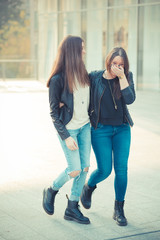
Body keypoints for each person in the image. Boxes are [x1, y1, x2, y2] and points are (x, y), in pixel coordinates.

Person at [80, 47, 136, 226]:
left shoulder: (126, 77)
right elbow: (79, 93)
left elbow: (130, 99)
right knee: (104, 170)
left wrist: (122, 77)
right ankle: (88, 187)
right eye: (115, 64)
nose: (118, 67)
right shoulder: (95, 77)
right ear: (108, 61)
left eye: (121, 65)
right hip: (101, 129)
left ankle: (118, 209)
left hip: (122, 129)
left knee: (121, 169)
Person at [43, 35, 91, 224]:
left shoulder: (84, 74)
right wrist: (65, 137)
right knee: (74, 170)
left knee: (85, 168)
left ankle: (72, 207)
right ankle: (52, 189)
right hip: (69, 130)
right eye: (82, 48)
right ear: (73, 52)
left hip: (85, 126)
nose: (84, 51)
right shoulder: (57, 80)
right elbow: (53, 113)